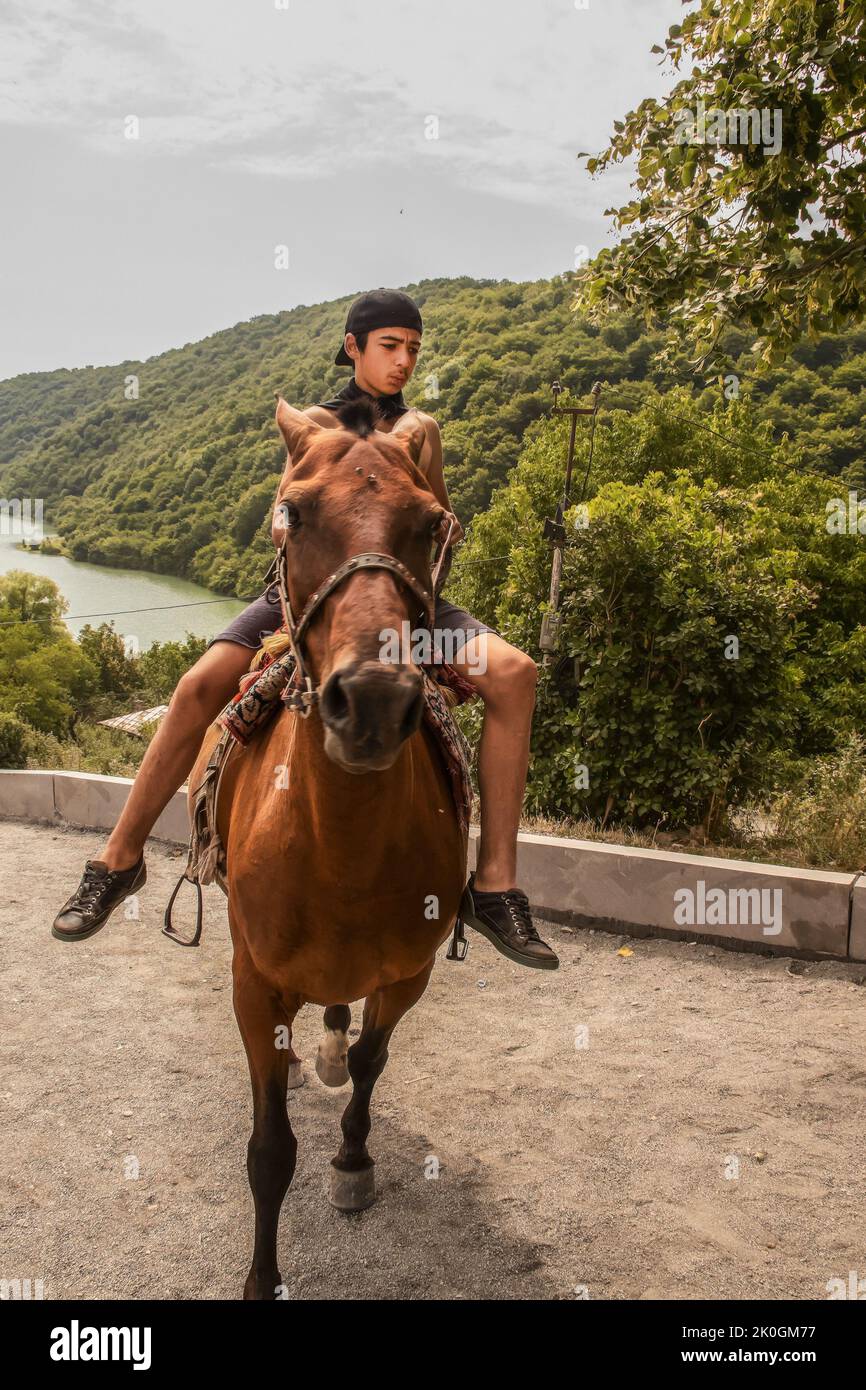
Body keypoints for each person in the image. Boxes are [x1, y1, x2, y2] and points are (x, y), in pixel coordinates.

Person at [52, 289, 559, 970]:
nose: (404, 360)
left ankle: (495, 884)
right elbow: (284, 518)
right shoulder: (315, 425)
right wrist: (285, 522)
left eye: (413, 347)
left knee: (516, 674)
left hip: (409, 606)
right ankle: (118, 861)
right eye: (390, 345)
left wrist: (445, 527)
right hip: (312, 603)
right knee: (200, 682)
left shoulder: (422, 432)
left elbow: (434, 525)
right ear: (353, 347)